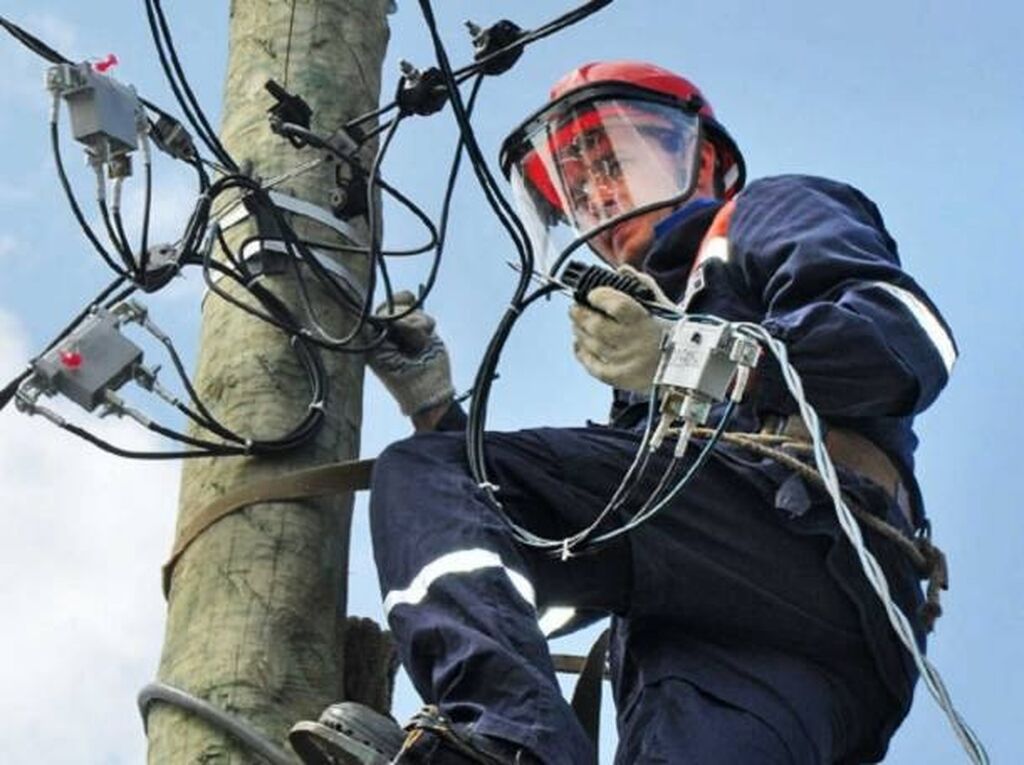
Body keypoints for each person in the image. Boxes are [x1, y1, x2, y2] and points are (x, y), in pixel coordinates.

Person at [291, 60, 956, 764]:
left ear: (697, 157)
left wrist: (685, 351)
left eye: (611, 159)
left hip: (809, 540)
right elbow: (546, 546)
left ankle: (516, 742)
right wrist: (434, 406)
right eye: (575, 189)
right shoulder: (644, 370)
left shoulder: (765, 215)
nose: (596, 195)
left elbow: (904, 343)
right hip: (740, 652)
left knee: (428, 475)